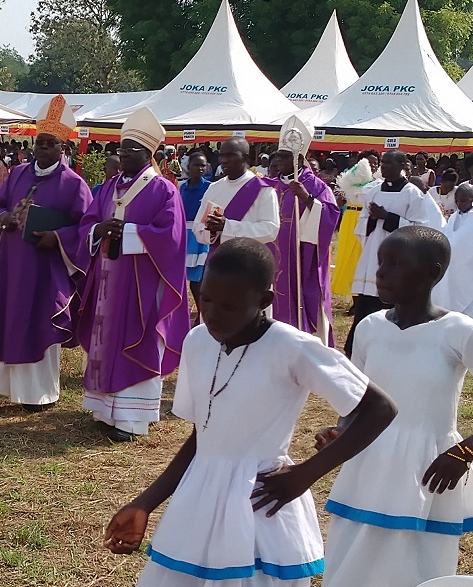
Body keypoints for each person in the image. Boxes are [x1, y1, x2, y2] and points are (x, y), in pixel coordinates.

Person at [103, 238, 397, 587]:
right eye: (206, 299)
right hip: (199, 496)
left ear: (264, 300)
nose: (211, 313)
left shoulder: (292, 347)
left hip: (260, 502)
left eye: (228, 306)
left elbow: (380, 409)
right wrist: (145, 503)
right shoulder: (198, 341)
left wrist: (305, 475)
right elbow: (203, 438)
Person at [319, 226, 473, 587]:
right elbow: (358, 400)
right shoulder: (370, 327)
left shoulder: (458, 330)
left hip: (429, 468)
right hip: (368, 460)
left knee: (414, 559)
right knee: (351, 551)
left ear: (433, 273)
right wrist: (340, 431)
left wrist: (464, 452)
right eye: (381, 262)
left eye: (397, 263)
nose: (382, 272)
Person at [0, 95, 92, 412]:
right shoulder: (17, 174)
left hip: (44, 269)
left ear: (62, 148)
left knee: (36, 321)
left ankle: (36, 394)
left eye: (48, 144)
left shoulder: (74, 184)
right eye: (38, 142)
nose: (41, 148)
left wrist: (57, 236)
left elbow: (85, 227)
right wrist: (2, 219)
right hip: (11, 264)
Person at [77, 108, 187, 441]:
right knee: (105, 339)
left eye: (130, 149)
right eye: (121, 147)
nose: (122, 153)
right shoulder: (109, 186)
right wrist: (99, 229)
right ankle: (102, 409)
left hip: (142, 282)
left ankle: (130, 418)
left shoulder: (163, 190)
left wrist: (126, 232)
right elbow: (87, 222)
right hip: (109, 279)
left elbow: (171, 235)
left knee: (136, 339)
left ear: (148, 154)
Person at [345, 149, 430, 356]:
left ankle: (390, 348)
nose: (383, 167)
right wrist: (373, 219)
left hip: (399, 259)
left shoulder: (412, 193)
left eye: (389, 164)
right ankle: (356, 348)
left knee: (391, 302)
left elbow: (419, 228)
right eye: (382, 164)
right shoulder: (373, 191)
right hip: (374, 253)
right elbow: (361, 225)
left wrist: (388, 217)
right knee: (366, 304)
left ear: (402, 166)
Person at [267, 116, 340, 343]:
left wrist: (308, 199)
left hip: (301, 258)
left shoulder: (316, 186)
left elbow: (330, 217)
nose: (279, 161)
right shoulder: (271, 185)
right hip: (273, 254)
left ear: (299, 158)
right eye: (278, 155)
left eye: (285, 156)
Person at [192, 137, 279, 255]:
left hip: (249, 261)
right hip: (218, 260)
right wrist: (211, 232)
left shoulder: (263, 189)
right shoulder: (214, 189)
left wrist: (227, 226)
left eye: (230, 155)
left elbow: (270, 230)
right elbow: (198, 227)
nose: (224, 160)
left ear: (245, 157)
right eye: (221, 155)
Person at [331, 151, 380, 296]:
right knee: (348, 255)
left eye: (375, 163)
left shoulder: (378, 184)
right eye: (369, 162)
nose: (372, 166)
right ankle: (350, 293)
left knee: (362, 256)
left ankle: (361, 293)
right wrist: (341, 192)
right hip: (350, 218)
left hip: (366, 219)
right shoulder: (349, 180)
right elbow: (338, 204)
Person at [179, 150, 211, 318]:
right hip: (183, 235)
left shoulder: (209, 188)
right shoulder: (182, 187)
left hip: (200, 236)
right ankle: (181, 312)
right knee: (181, 277)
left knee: (198, 280)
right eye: (196, 165)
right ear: (188, 167)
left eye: (202, 166)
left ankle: (201, 314)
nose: (199, 168)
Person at [432, 183, 473, 315]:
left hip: (468, 270)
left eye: (463, 200)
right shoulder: (454, 217)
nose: (459, 204)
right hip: (453, 270)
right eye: (456, 200)